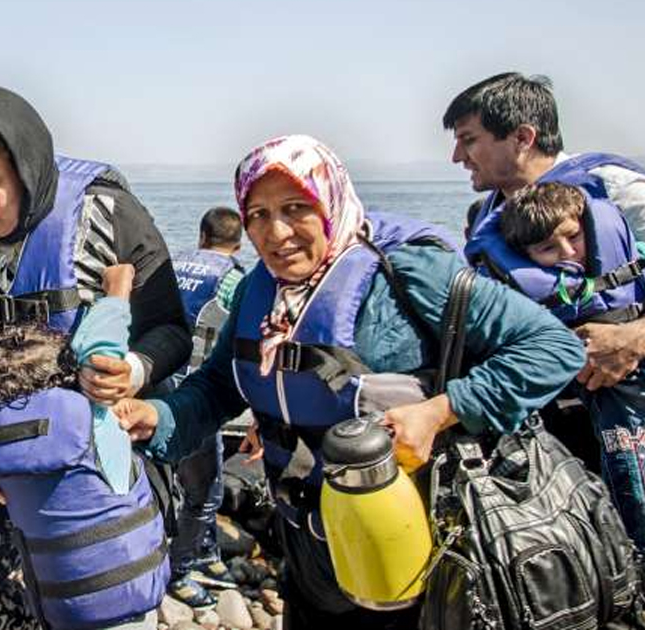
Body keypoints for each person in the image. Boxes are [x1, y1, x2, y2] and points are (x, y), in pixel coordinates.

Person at [113, 134, 586, 628]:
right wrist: (158, 415)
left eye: (296, 208)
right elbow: (219, 385)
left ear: (331, 202)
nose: (275, 233)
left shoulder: (407, 271)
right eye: (257, 214)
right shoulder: (261, 289)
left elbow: (553, 347)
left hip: (417, 538)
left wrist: (441, 411)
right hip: (306, 539)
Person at [0, 86, 191, 629]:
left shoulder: (105, 210)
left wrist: (135, 371)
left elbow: (171, 328)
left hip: (90, 461)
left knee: (97, 607)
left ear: (26, 165)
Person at [0, 264, 166, 629]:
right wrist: (117, 288)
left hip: (62, 609)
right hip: (132, 595)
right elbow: (101, 345)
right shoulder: (93, 418)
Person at [444, 72, 645, 398]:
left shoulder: (615, 190)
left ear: (523, 138)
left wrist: (636, 338)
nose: (456, 157)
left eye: (468, 140)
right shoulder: (491, 214)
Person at [469, 181, 645, 550]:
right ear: (525, 255)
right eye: (548, 248)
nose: (568, 254)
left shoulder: (635, 259)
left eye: (574, 238)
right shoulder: (512, 300)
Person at [166, 207, 246, 607]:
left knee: (174, 483)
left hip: (156, 383)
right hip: (199, 395)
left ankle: (207, 551)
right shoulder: (235, 280)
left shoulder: (171, 263)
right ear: (239, 243)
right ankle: (179, 574)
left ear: (201, 236)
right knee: (204, 491)